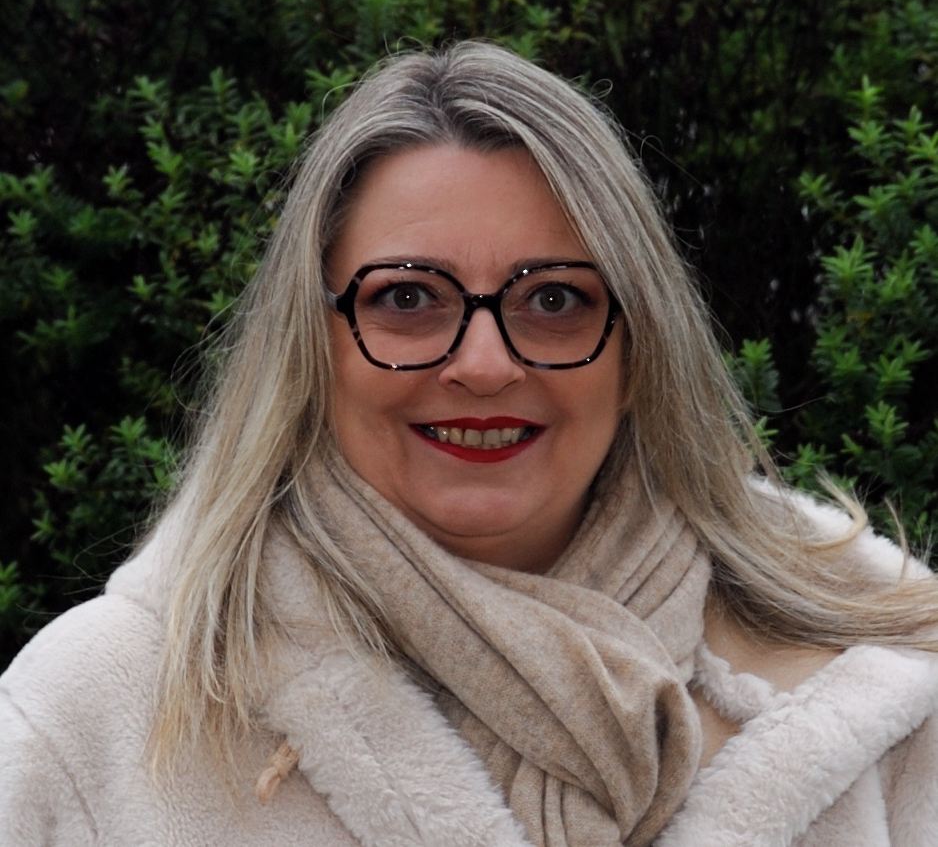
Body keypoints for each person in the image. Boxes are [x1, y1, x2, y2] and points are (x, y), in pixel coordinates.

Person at [1, 41, 937, 847]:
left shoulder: (890, 686)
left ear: (637, 348)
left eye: (555, 299)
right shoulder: (93, 718)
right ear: (310, 346)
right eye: (407, 298)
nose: (484, 364)